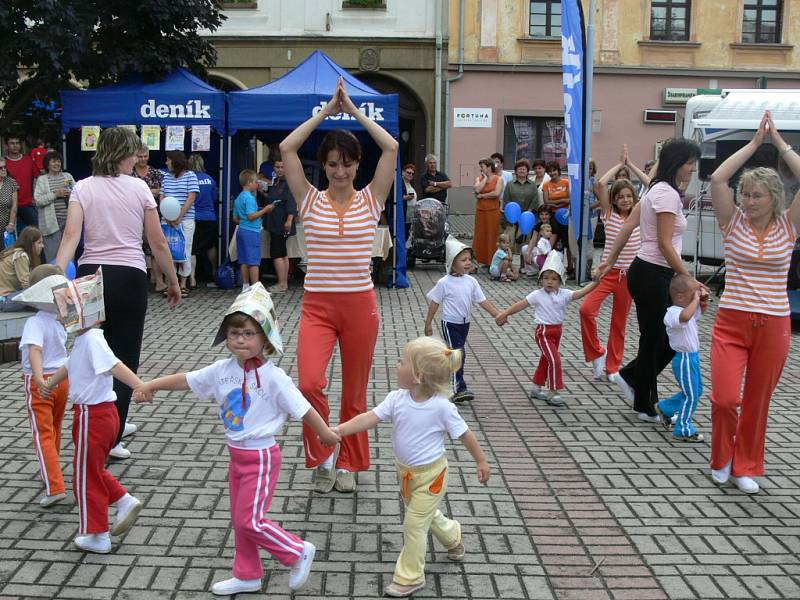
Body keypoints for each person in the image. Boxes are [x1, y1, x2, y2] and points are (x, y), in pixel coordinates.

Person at [133, 284, 338, 595]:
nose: (240, 339)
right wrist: (151, 385)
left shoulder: (274, 377)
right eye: (234, 333)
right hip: (237, 456)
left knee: (249, 521)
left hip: (261, 457)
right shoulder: (221, 370)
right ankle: (247, 574)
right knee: (240, 520)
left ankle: (297, 551)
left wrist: (323, 432)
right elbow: (186, 380)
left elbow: (303, 407)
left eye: (248, 333)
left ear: (265, 338)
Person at [279, 76, 398, 494]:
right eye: (333, 163)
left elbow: (392, 147)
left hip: (360, 306)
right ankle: (322, 454)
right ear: (324, 166)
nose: (341, 171)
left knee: (355, 392)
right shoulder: (308, 198)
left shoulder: (372, 198)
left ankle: (349, 461)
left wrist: (357, 112)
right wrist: (327, 113)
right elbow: (287, 148)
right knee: (309, 383)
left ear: (356, 165)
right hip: (318, 305)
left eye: (347, 163)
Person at [327, 336, 491, 598]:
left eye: (402, 362)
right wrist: (339, 430)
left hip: (433, 476)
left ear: (418, 375)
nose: (396, 365)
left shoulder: (442, 407)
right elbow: (369, 417)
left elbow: (465, 435)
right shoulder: (397, 398)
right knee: (426, 516)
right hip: (405, 474)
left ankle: (410, 576)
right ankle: (453, 536)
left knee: (414, 523)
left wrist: (481, 460)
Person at [56, 127, 181, 461]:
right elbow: (157, 242)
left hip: (89, 277)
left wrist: (56, 274)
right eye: (134, 154)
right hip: (128, 275)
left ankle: (96, 424)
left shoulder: (82, 187)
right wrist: (173, 279)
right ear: (124, 154)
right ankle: (113, 435)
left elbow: (71, 235)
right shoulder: (139, 188)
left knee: (90, 354)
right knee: (124, 357)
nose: (137, 160)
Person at [707, 111, 800, 494]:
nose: (748, 200)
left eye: (756, 195)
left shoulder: (789, 225)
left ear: (774, 197)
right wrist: (754, 144)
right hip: (732, 320)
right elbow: (716, 178)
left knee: (758, 400)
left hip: (775, 324)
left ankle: (745, 464)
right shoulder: (733, 222)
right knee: (727, 398)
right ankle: (721, 457)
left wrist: (780, 143)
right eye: (745, 194)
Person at [595, 138, 703, 423]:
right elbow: (665, 245)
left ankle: (633, 380)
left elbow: (630, 226)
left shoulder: (656, 188)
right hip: (654, 273)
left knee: (660, 339)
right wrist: (690, 279)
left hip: (646, 271)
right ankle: (642, 398)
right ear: (678, 162)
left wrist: (610, 260)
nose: (693, 169)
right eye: (691, 162)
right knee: (661, 339)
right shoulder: (665, 193)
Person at [44, 269, 144, 554]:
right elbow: (68, 366)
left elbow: (114, 365)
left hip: (93, 416)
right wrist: (50, 383)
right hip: (98, 415)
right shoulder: (85, 340)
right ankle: (123, 501)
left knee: (83, 477)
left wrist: (140, 386)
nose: (62, 317)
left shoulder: (92, 340)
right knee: (91, 470)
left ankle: (97, 533)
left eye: (66, 310)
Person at [496, 251, 598, 407]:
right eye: (546, 278)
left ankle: (536, 388)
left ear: (560, 280)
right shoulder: (538, 294)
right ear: (541, 279)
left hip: (557, 332)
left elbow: (580, 293)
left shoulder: (564, 294)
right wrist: (506, 313)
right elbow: (521, 304)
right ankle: (553, 391)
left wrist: (595, 283)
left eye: (554, 279)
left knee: (546, 359)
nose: (549, 282)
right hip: (543, 332)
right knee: (555, 360)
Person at [579, 154, 643, 381]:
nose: (625, 200)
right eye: (621, 197)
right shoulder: (608, 215)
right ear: (614, 200)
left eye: (629, 196)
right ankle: (597, 353)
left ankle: (613, 366)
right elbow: (598, 184)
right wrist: (620, 164)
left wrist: (632, 165)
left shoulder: (640, 215)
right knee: (586, 310)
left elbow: (649, 184)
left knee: (619, 323)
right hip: (607, 273)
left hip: (630, 277)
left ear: (634, 198)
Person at [423, 236, 499, 403]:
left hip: (465, 324)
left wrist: (497, 314)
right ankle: (458, 389)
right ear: (452, 263)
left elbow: (482, 300)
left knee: (455, 354)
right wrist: (428, 323)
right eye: (463, 260)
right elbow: (434, 303)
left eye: (469, 259)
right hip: (450, 323)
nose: (468, 263)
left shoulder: (471, 281)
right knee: (458, 353)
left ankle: (439, 378)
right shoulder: (444, 282)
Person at [18, 264, 70, 507]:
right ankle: (53, 469)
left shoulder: (35, 323)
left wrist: (38, 378)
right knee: (55, 428)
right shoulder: (59, 322)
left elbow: (34, 350)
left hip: (41, 382)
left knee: (42, 434)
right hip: (62, 380)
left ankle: (55, 485)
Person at [654, 274, 707, 443]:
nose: (695, 298)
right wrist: (696, 300)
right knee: (691, 395)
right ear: (680, 297)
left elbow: (695, 314)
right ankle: (683, 429)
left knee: (696, 390)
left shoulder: (686, 309)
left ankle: (665, 407)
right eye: (693, 295)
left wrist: (702, 301)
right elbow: (685, 317)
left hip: (693, 357)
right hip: (684, 359)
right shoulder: (672, 313)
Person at [161, 151, 199, 297]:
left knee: (184, 251)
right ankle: (171, 282)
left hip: (186, 220)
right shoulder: (166, 178)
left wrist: (179, 216)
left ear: (175, 161)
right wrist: (168, 217)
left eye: (168, 160)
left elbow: (191, 198)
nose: (166, 163)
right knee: (168, 251)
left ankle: (183, 283)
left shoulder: (191, 176)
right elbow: (163, 197)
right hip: (167, 221)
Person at [263, 159, 298, 294]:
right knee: (282, 252)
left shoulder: (289, 183)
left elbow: (291, 203)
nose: (280, 169)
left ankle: (282, 284)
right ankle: (283, 282)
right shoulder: (277, 182)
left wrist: (289, 220)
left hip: (281, 222)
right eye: (277, 167)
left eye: (282, 167)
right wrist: (263, 193)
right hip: (274, 222)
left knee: (277, 253)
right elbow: (274, 200)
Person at [34, 151, 75, 260]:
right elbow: (38, 201)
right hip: (51, 224)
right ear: (47, 164)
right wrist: (55, 195)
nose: (57, 164)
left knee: (69, 255)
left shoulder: (67, 176)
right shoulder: (42, 180)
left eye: (58, 161)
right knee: (52, 256)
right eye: (53, 161)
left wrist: (72, 193)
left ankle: (69, 276)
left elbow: (77, 194)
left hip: (68, 222)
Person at [234, 169, 269, 291]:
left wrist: (244, 221)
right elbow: (251, 216)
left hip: (241, 230)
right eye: (255, 182)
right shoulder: (249, 198)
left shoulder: (239, 197)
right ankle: (256, 287)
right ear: (249, 182)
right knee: (253, 260)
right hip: (251, 231)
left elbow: (235, 218)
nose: (257, 184)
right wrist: (265, 210)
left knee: (243, 259)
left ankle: (245, 285)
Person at [187, 154, 219, 288]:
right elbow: (215, 197)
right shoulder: (210, 179)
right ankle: (214, 271)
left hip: (194, 217)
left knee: (192, 249)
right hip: (210, 217)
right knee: (210, 246)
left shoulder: (189, 179)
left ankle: (192, 279)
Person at [541, 162, 574, 276]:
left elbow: (570, 199)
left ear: (558, 171)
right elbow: (547, 202)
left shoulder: (566, 182)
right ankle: (553, 266)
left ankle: (570, 266)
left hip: (565, 216)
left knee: (568, 242)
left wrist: (556, 203)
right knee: (555, 242)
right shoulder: (546, 185)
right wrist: (562, 201)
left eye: (554, 170)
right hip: (553, 217)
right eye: (550, 171)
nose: (552, 173)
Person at [0, 226, 42, 311]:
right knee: (40, 291)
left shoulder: (16, 251)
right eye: (39, 243)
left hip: (7, 297)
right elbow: (26, 284)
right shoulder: (21, 256)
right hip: (5, 300)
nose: (42, 246)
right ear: (31, 244)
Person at [4, 134, 39, 231]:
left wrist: (36, 197)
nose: (15, 145)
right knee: (8, 236)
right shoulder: (3, 163)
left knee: (35, 232)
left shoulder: (28, 160)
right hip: (8, 206)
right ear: (6, 146)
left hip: (27, 204)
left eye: (17, 143)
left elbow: (38, 179)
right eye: (12, 143)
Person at [471, 157, 502, 265]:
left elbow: (496, 193)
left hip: (493, 211)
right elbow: (477, 189)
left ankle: (492, 261)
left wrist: (483, 196)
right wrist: (484, 179)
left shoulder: (498, 179)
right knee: (480, 235)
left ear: (489, 167)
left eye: (482, 167)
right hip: (481, 211)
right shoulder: (479, 178)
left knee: (492, 235)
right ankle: (481, 260)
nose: (481, 169)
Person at [502, 159, 538, 250]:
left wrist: (527, 213)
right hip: (512, 219)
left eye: (524, 169)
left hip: (527, 218)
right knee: (509, 242)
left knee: (525, 243)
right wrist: (512, 215)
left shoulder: (532, 185)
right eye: (519, 169)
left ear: (527, 171)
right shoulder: (510, 185)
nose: (522, 171)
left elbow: (535, 199)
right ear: (516, 171)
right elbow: (506, 200)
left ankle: (523, 263)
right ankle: (509, 262)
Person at [0, 156, 19, 235]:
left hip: (6, 227)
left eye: (4, 167)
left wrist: (11, 223)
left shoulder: (11, 182)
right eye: (0, 168)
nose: (4, 169)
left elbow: (14, 206)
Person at [401, 163, 418, 241]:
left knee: (407, 234)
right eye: (408, 172)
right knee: (404, 233)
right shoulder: (400, 182)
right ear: (403, 172)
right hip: (404, 213)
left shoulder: (409, 183)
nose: (410, 175)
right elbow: (394, 197)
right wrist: (405, 197)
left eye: (412, 173)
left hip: (410, 214)